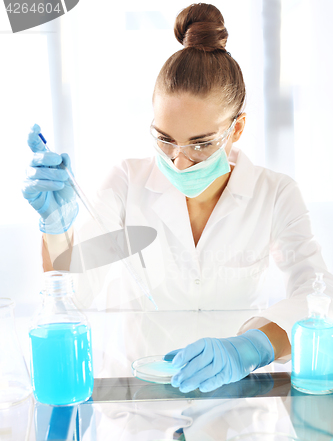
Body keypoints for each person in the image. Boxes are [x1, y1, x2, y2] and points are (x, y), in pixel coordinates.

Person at [22, 3, 333, 393]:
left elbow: (317, 295)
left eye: (201, 144)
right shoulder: (126, 181)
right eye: (164, 139)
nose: (179, 161)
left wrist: (251, 348)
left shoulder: (274, 193)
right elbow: (75, 292)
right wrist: (57, 228)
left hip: (234, 396)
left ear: (236, 129)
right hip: (139, 395)